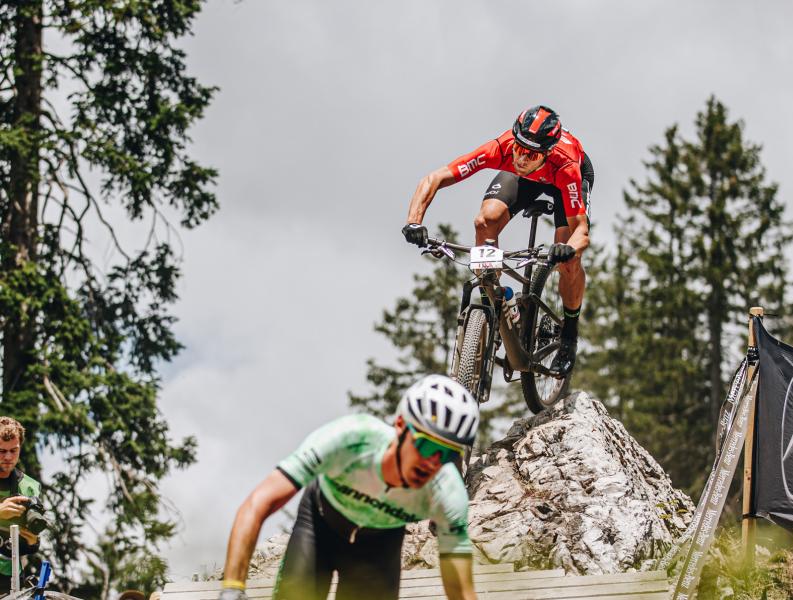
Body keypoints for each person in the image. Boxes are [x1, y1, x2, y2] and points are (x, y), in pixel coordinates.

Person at [219, 374, 480, 600]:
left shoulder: (447, 492)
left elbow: (461, 591)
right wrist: (232, 589)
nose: (433, 462)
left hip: (379, 547)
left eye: (447, 455)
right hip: (319, 526)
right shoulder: (349, 440)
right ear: (400, 426)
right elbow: (257, 504)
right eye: (427, 446)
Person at [403, 105, 593, 378]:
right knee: (484, 221)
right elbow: (435, 178)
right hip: (528, 180)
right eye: (518, 147)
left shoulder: (566, 165)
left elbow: (581, 232)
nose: (521, 158)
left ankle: (570, 335)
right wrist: (414, 220)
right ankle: (493, 299)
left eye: (530, 153)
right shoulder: (503, 149)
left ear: (547, 152)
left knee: (568, 262)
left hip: (561, 179)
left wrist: (568, 248)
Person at [0, 416, 41, 594]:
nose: (8, 457)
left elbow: (27, 546)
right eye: (1, 451)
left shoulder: (29, 486)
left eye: (13, 451)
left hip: (10, 579)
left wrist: (33, 541)